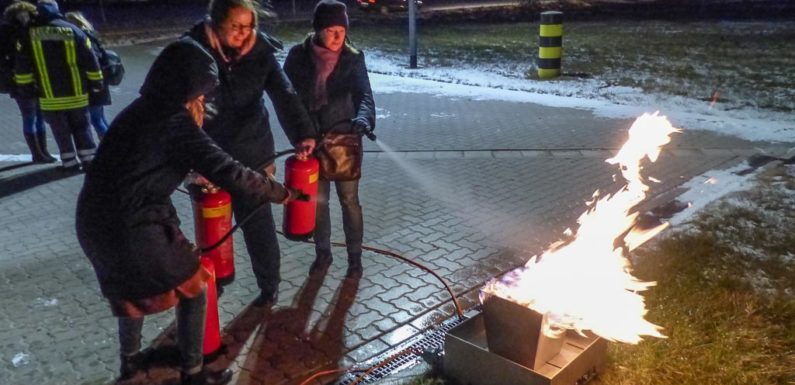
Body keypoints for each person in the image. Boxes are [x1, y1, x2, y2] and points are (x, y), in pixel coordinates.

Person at [76, 39, 301, 385]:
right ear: (187, 91)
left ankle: (131, 362)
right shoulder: (175, 123)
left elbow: (140, 173)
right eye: (201, 96)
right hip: (132, 229)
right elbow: (232, 172)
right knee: (197, 283)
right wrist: (279, 192)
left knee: (129, 291)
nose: (203, 104)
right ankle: (193, 373)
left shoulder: (138, 111)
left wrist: (192, 174)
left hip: (94, 225)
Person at [184, 0, 316, 307]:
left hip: (252, 153)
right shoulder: (190, 54)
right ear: (215, 24)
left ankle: (269, 286)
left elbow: (285, 94)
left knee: (258, 226)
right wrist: (191, 161)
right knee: (212, 229)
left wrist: (303, 134)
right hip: (206, 155)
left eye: (249, 26)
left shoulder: (261, 54)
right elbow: (176, 110)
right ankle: (213, 285)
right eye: (236, 26)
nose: (244, 33)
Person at [283, 0, 376, 279]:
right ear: (317, 30)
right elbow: (288, 103)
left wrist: (362, 119)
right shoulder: (297, 58)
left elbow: (365, 96)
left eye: (342, 30)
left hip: (345, 141)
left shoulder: (353, 57)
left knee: (349, 201)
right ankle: (322, 254)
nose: (338, 37)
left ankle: (355, 257)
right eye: (331, 30)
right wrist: (300, 137)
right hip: (311, 143)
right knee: (319, 203)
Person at [13, 0, 102, 171]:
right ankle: (89, 160)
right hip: (77, 94)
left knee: (61, 132)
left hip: (50, 97)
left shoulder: (29, 34)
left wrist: (26, 89)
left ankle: (69, 163)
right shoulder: (73, 30)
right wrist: (96, 83)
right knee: (82, 128)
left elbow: (22, 66)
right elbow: (90, 59)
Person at [1, 0, 56, 163]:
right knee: (32, 116)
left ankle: (41, 152)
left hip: (23, 81)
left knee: (35, 116)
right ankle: (39, 153)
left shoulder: (8, 30)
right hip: (26, 80)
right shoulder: (28, 30)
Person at [64, 11, 110, 140]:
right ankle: (114, 143)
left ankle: (109, 147)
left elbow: (90, 60)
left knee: (96, 120)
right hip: (100, 82)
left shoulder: (82, 37)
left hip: (93, 85)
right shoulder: (91, 34)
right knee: (100, 118)